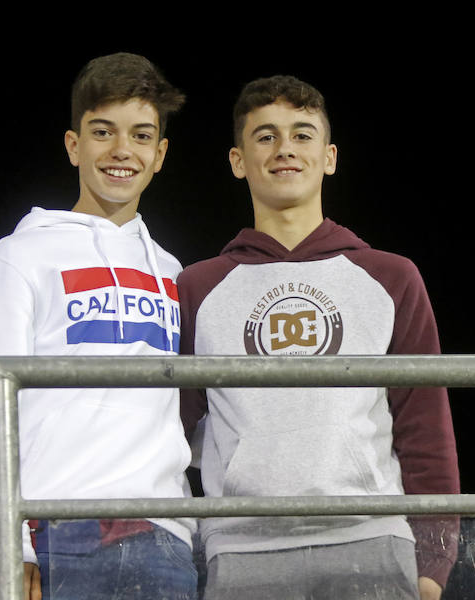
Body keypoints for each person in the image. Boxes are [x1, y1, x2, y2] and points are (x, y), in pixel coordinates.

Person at [178, 75, 460, 600]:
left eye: (302, 135)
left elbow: (425, 426)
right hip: (242, 549)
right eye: (265, 136)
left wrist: (433, 561)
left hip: (372, 539)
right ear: (238, 161)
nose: (285, 149)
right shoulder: (197, 286)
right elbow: (171, 430)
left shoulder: (391, 276)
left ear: (329, 157)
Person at [0, 52, 196, 600]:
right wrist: (4, 542)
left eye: (140, 135)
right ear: (73, 145)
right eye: (102, 131)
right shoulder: (20, 256)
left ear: (159, 155)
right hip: (54, 532)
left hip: (166, 539)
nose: (120, 150)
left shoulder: (174, 272)